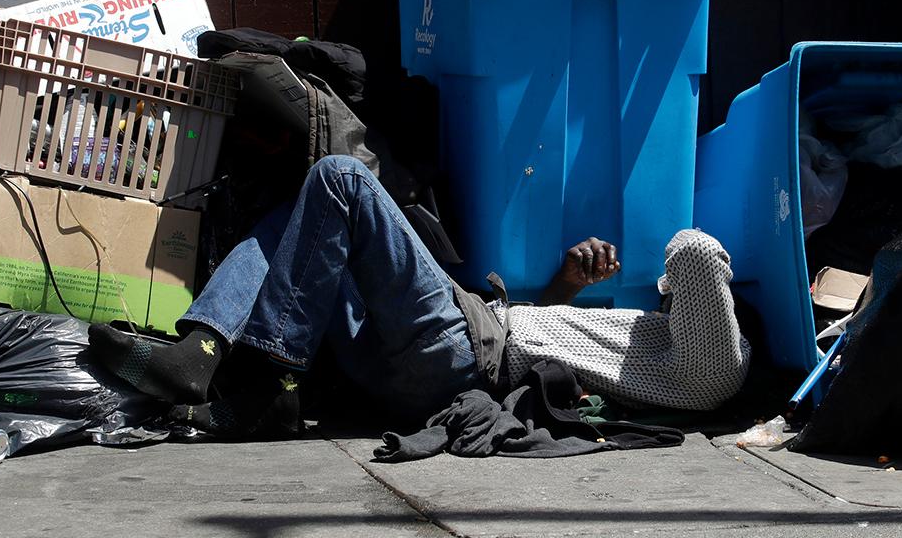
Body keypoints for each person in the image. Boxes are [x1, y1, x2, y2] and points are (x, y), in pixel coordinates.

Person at [89, 155, 750, 437]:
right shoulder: (651, 358)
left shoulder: (713, 372)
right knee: (308, 214)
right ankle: (203, 350)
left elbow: (693, 251)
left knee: (341, 179)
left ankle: (261, 383)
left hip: (460, 352)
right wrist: (567, 288)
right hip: (448, 358)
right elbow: (543, 344)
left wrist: (675, 281)